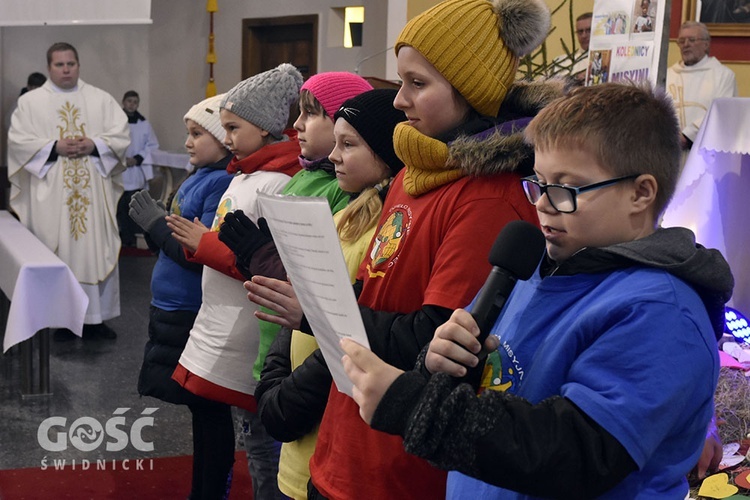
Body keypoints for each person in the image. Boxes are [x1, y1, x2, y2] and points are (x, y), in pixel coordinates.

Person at [340, 82, 734, 499]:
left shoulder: (661, 311)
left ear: (640, 192)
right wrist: (447, 365)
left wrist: (418, 406)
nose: (543, 204)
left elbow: (577, 451)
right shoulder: (533, 268)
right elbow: (508, 388)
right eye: (539, 183)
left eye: (565, 189)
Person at [244, 0, 554, 497]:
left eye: (418, 83)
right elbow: (375, 293)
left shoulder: (488, 197)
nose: (398, 100)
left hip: (397, 464)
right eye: (401, 80)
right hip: (346, 440)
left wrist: (318, 312)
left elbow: (434, 339)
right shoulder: (415, 171)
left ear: (470, 89)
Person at [216, 70, 372, 500]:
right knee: (266, 465)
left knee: (283, 474)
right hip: (278, 347)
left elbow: (316, 284)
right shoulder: (305, 178)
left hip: (310, 365)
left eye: (310, 115)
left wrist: (256, 253)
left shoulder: (345, 193)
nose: (297, 126)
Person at [253, 88, 406, 500]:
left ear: (386, 153)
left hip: (324, 420)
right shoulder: (344, 215)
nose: (334, 156)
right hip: (298, 426)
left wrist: (285, 401)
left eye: (349, 144)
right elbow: (302, 302)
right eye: (335, 142)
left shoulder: (388, 233)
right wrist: (274, 377)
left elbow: (349, 327)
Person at [166, 63, 303, 500]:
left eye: (233, 127)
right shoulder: (246, 175)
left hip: (251, 323)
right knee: (248, 435)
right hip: (224, 312)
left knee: (263, 443)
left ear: (265, 129)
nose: (226, 139)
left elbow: (265, 263)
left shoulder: (277, 183)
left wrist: (205, 244)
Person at [128, 93, 233, 499]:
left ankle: (212, 488)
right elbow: (174, 243)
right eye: (187, 134)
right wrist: (156, 223)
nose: (187, 142)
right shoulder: (197, 176)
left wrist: (156, 227)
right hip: (172, 308)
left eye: (197, 134)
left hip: (192, 309)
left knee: (208, 406)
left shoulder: (220, 182)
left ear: (224, 139)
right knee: (198, 406)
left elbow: (197, 256)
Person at [8, 42, 130, 340]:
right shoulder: (31, 102)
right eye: (59, 65)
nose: (66, 70)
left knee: (93, 251)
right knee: (55, 251)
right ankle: (59, 320)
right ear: (49, 67)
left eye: (71, 64)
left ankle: (95, 319)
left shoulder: (100, 99)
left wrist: (95, 144)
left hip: (92, 194)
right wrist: (53, 147)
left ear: (79, 64)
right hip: (51, 197)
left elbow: (120, 134)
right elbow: (18, 141)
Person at [666, 21, 737, 152]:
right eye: (681, 41)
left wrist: (687, 136)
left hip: (706, 152)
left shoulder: (723, 76)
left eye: (692, 40)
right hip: (669, 151)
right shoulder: (668, 75)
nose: (686, 45)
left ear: (706, 44)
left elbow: (721, 112)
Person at [117, 90, 159, 247]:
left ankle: (134, 240)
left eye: (135, 102)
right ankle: (123, 238)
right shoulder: (117, 122)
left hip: (135, 171)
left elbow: (152, 144)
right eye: (129, 101)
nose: (132, 104)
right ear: (123, 102)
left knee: (133, 206)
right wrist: (122, 159)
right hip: (120, 170)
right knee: (120, 207)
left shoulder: (144, 123)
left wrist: (137, 158)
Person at [548, 12, 592, 81]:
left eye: (589, 30)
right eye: (580, 31)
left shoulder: (607, 60)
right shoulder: (560, 62)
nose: (584, 36)